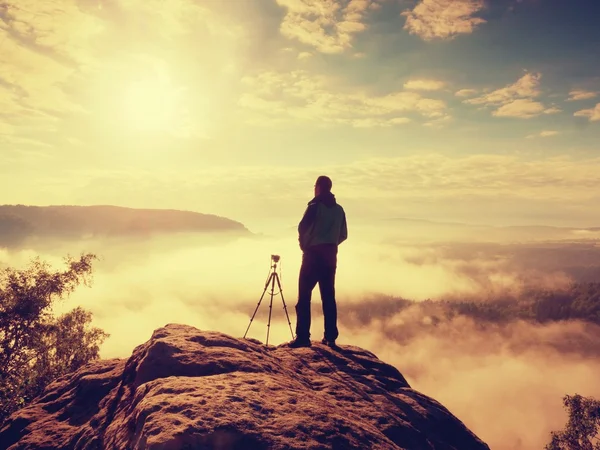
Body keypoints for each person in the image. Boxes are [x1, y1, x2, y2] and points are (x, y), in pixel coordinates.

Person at [288, 175, 348, 348]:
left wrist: (304, 245)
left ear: (319, 188)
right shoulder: (339, 210)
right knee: (328, 297)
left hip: (312, 256)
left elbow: (302, 228)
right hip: (330, 257)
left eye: (315, 186)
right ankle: (330, 337)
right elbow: (343, 234)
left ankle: (303, 338)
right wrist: (331, 244)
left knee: (304, 297)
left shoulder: (314, 207)